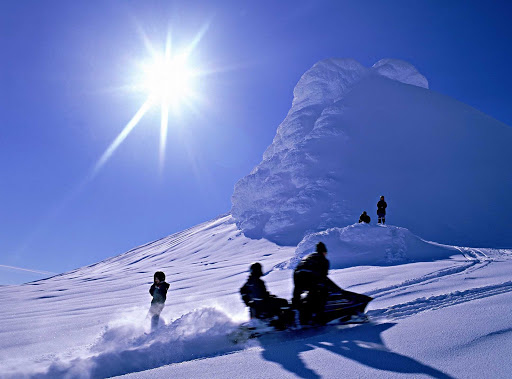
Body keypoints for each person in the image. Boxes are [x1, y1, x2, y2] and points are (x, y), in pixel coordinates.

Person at [292, 242, 330, 324]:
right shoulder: (323, 260)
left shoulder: (309, 256)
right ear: (323, 252)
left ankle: (295, 315)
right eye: (325, 253)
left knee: (298, 296)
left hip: (297, 275)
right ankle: (317, 318)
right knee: (319, 294)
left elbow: (298, 268)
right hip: (309, 276)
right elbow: (324, 276)